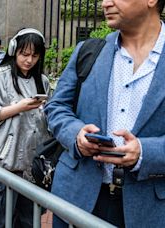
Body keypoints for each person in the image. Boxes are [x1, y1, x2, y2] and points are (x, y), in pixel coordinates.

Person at [44, 0, 165, 227]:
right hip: (77, 198)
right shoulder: (89, 51)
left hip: (148, 209)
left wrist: (145, 153)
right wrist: (76, 135)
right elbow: (56, 107)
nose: (105, 3)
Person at [0, 28, 50, 227]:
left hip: (33, 163)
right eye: (24, 54)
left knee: (28, 220)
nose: (29, 60)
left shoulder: (42, 81)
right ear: (13, 51)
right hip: (6, 162)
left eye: (35, 56)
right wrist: (19, 107)